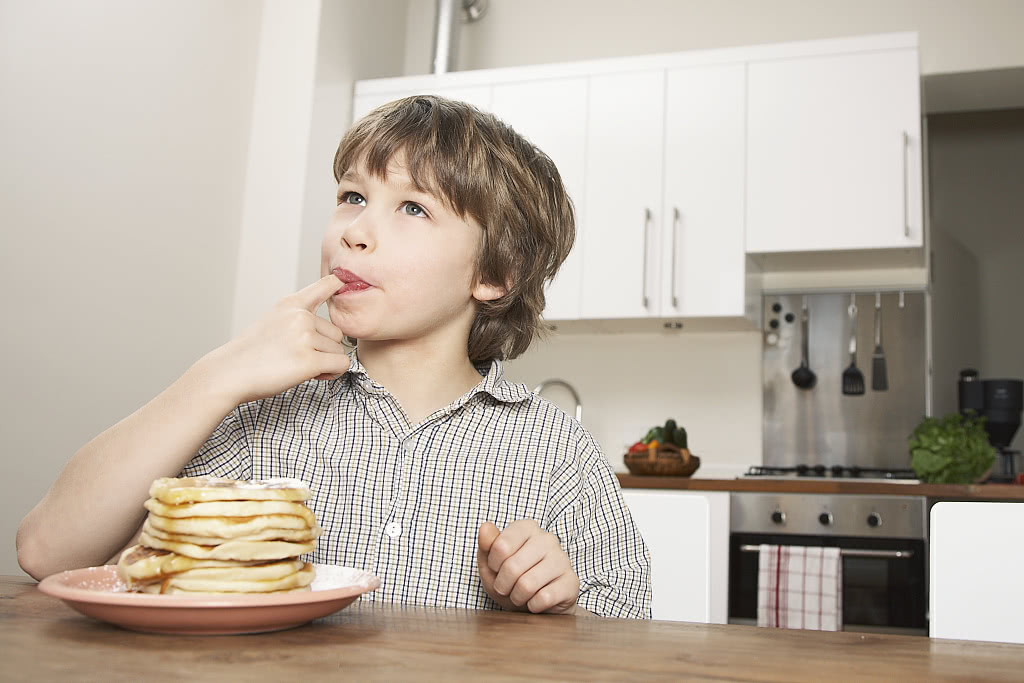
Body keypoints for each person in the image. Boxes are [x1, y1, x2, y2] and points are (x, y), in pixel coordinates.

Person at [17, 95, 651, 617]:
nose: (353, 231)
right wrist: (219, 375)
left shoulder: (555, 450)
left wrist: (554, 600)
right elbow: (47, 551)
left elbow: (630, 626)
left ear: (493, 273)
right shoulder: (261, 416)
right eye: (352, 197)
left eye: (412, 207)